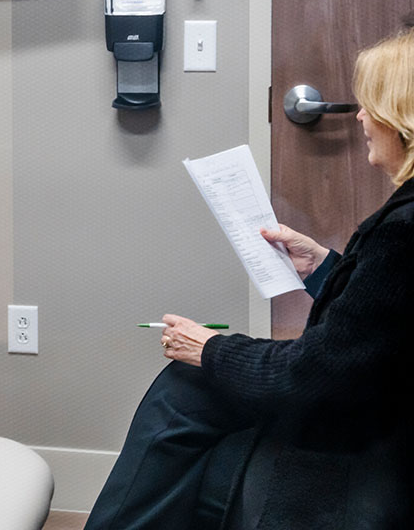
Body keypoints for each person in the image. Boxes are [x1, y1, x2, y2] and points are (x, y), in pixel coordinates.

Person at [85, 28, 413, 530]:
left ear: (403, 123)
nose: (363, 118)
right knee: (190, 391)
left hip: (369, 434)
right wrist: (324, 266)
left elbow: (316, 374)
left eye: (372, 107)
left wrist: (209, 348)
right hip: (379, 409)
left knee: (185, 389)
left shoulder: (404, 233)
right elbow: (384, 329)